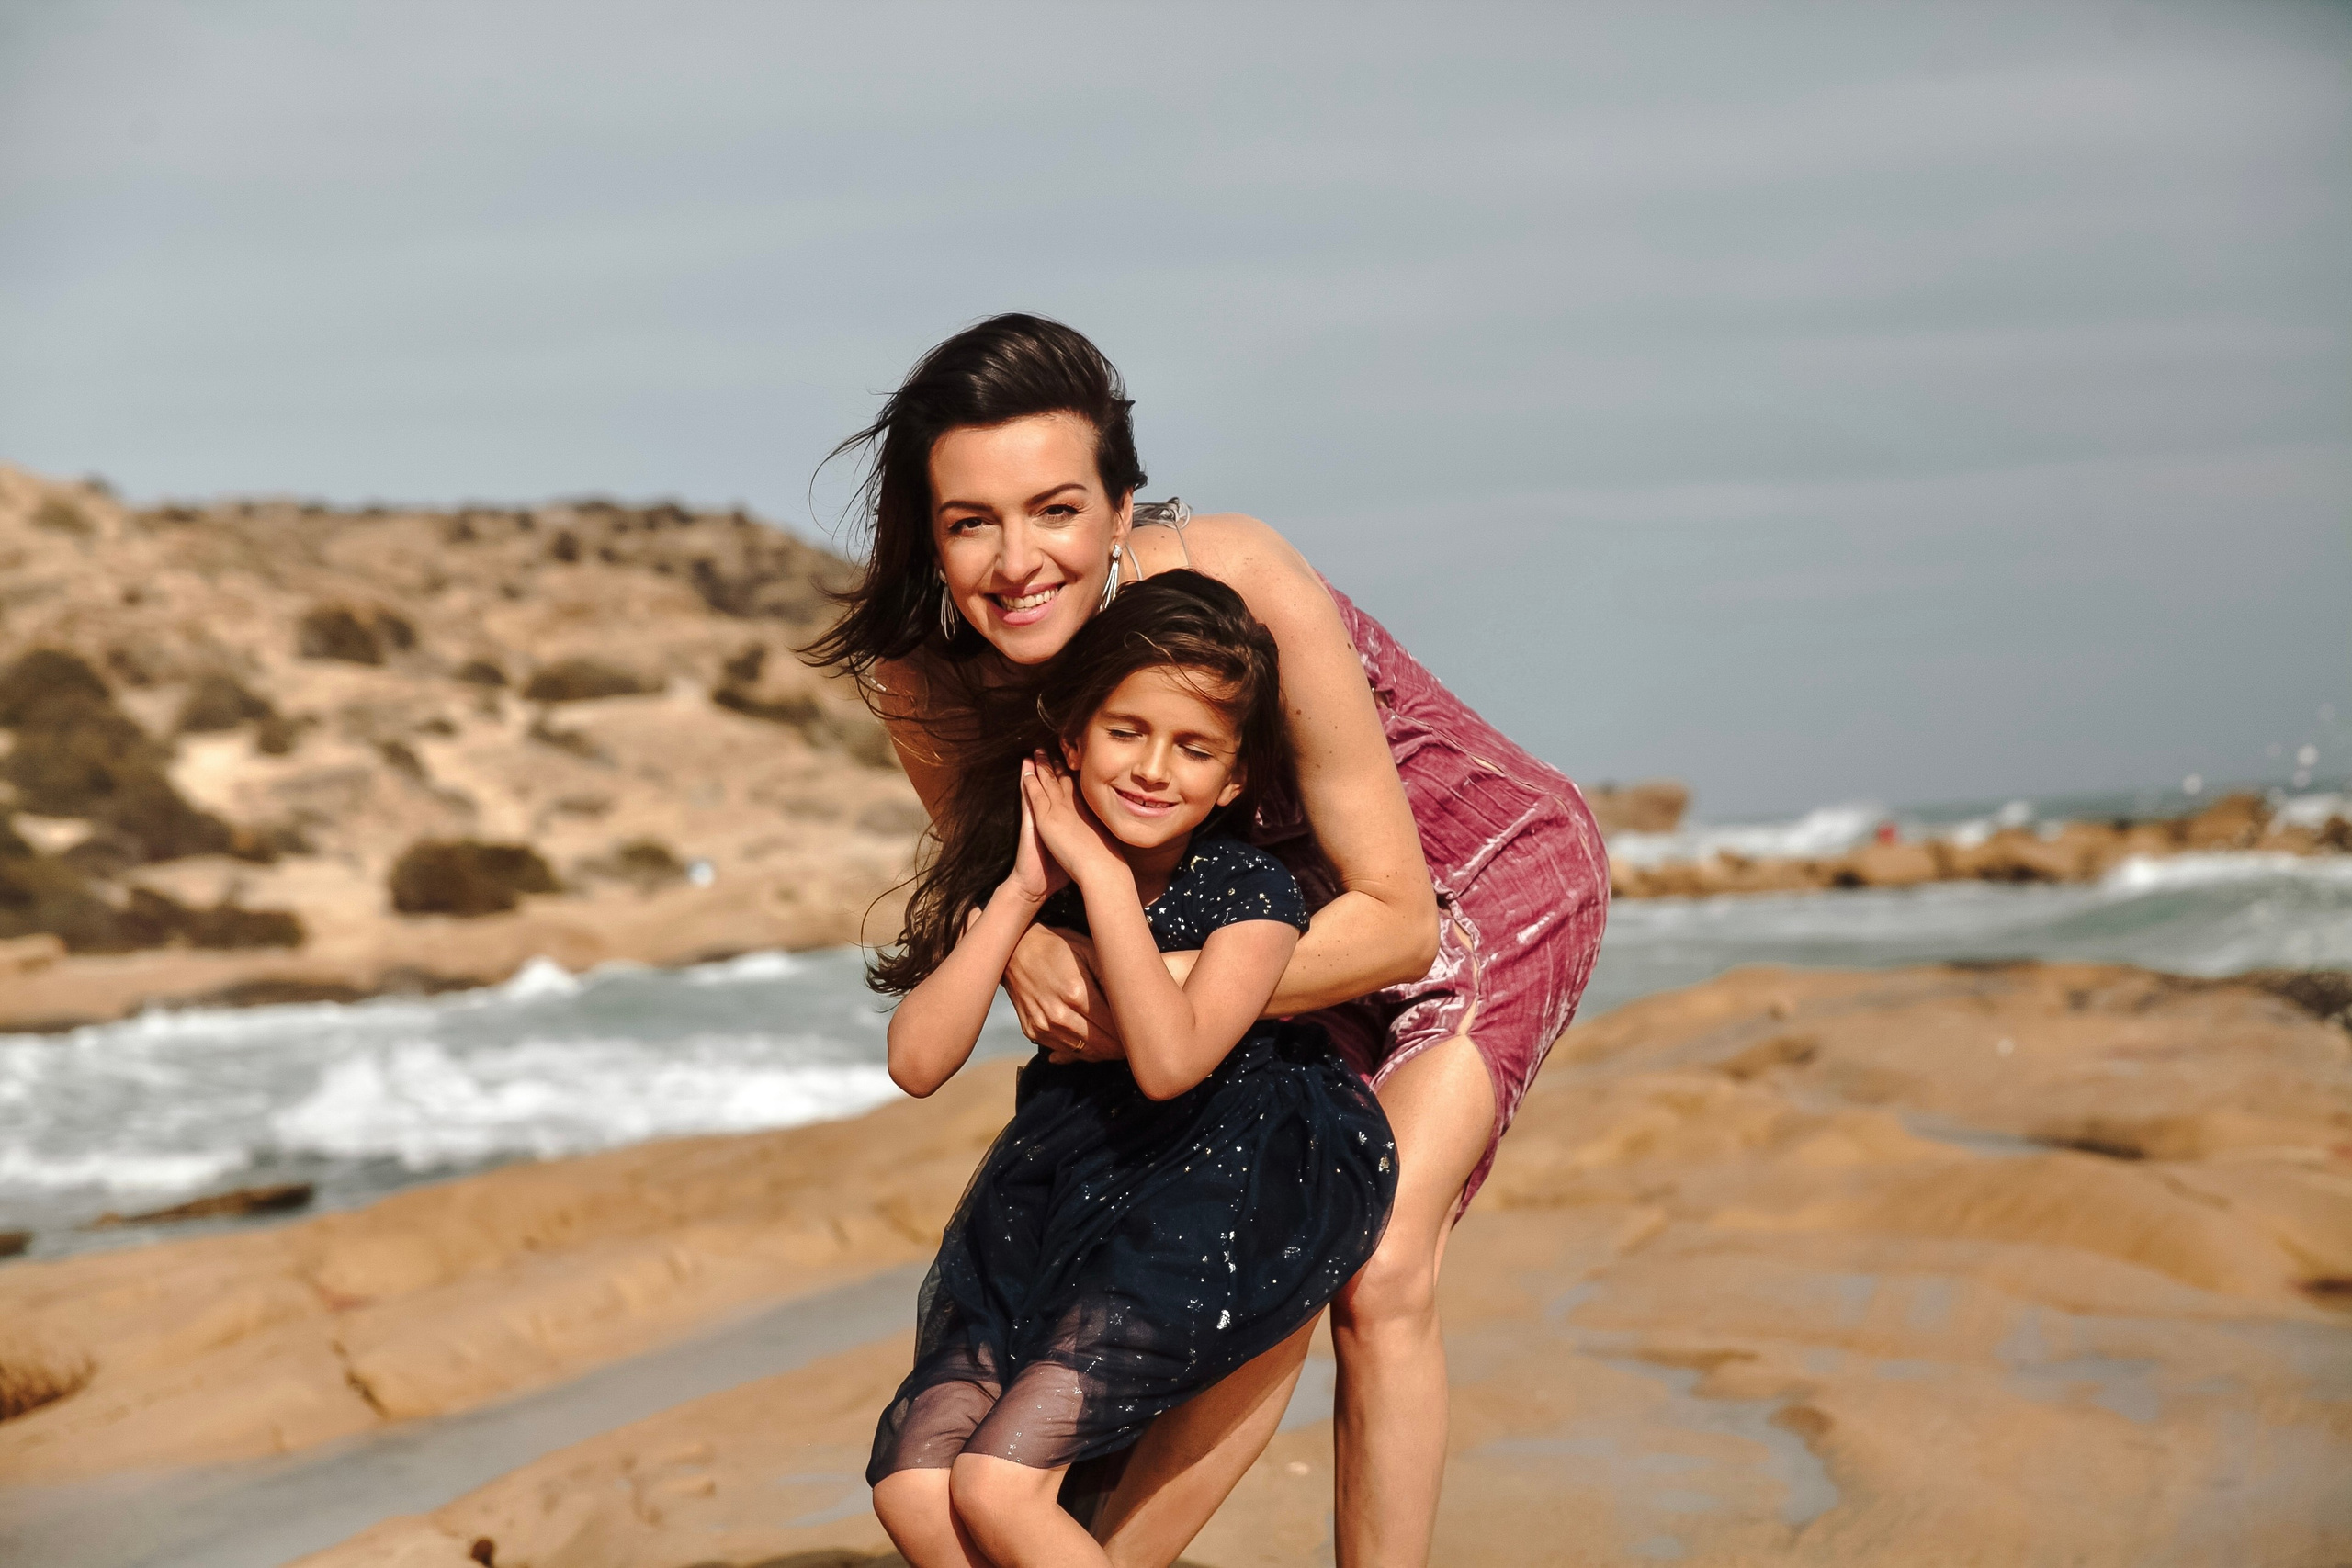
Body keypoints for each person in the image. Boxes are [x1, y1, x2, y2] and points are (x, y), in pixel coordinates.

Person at [806, 314, 1609, 1567]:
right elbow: (1001, 878)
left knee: (1373, 1263)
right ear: (928, 531)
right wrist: (1020, 948)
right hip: (1235, 928)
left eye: (1056, 510)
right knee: (1219, 1228)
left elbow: (1396, 917)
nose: (1017, 561)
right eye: (970, 523)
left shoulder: (1237, 575)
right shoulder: (928, 675)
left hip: (1465, 892)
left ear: (1121, 508)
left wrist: (1165, 985)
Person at [865, 570, 1396, 1568]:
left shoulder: (1252, 890)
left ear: (1234, 780)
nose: (1154, 768)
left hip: (1215, 1179)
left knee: (996, 1485)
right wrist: (1020, 892)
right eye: (1126, 732)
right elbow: (916, 1061)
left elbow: (1169, 1059)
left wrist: (1104, 876)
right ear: (1071, 741)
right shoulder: (1033, 883)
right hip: (1063, 1180)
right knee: (913, 1488)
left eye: (1194, 748)